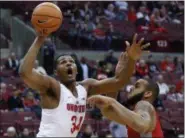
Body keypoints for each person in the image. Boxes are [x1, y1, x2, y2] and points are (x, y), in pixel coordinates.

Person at [19, 32, 149, 137]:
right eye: (63, 62)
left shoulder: (86, 87)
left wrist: (132, 59)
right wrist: (39, 40)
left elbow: (118, 82)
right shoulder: (52, 87)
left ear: (76, 69)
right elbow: (25, 73)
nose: (69, 63)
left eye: (71, 61)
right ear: (56, 71)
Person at [88, 79, 164, 138]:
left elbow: (142, 125)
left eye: (137, 86)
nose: (131, 88)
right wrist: (105, 105)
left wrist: (112, 102)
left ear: (147, 93)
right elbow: (109, 114)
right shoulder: (136, 114)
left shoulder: (144, 104)